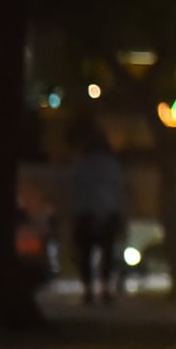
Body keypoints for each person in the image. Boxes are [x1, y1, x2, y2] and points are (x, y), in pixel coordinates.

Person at [66, 128, 128, 304]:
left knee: (85, 254)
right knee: (106, 254)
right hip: (107, 213)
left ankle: (89, 290)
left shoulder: (80, 165)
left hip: (86, 212)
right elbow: (119, 191)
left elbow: (73, 191)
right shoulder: (112, 165)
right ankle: (104, 289)